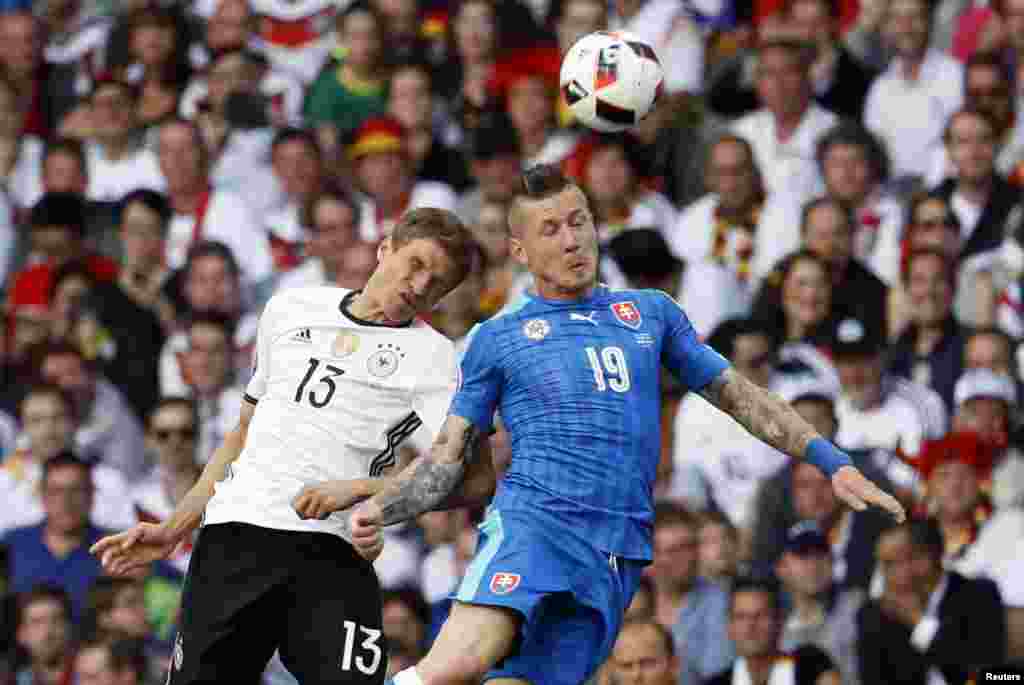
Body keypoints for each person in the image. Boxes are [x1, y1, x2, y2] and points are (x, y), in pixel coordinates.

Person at [338, 165, 904, 685]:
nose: (571, 239)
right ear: (519, 250)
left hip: (616, 553)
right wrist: (378, 509)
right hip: (534, 525)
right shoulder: (496, 337)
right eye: (551, 229)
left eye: (579, 221)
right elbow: (445, 461)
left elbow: (742, 396)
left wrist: (832, 461)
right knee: (454, 664)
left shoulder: (651, 313)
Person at [90, 207, 494, 685]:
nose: (422, 286)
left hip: (332, 552)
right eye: (417, 265)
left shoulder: (435, 358)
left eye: (438, 283)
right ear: (385, 248)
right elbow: (242, 435)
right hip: (235, 538)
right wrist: (175, 526)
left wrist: (367, 492)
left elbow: (475, 477)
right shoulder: (291, 307)